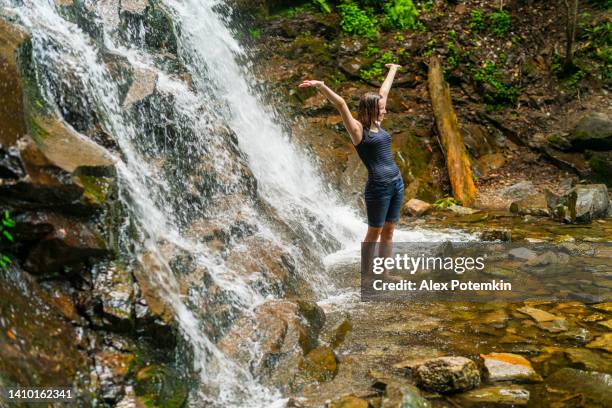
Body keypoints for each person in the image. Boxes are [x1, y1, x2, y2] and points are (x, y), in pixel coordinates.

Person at [299, 64, 404, 246]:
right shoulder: (358, 131)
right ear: (370, 109)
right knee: (374, 234)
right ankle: (368, 274)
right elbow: (341, 104)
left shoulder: (378, 122)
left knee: (389, 232)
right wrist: (321, 86)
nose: (385, 110)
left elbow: (384, 91)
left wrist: (393, 69)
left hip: (397, 183)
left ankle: (384, 274)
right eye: (381, 108)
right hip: (379, 188)